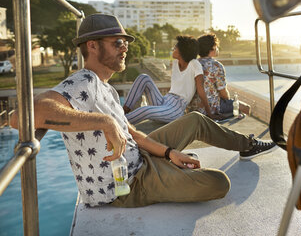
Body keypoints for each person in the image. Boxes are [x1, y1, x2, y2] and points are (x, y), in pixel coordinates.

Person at [11, 13, 277, 208]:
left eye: (125, 42)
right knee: (219, 183)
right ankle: (167, 173)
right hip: (126, 185)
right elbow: (25, 115)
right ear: (92, 45)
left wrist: (170, 153)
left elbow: (133, 133)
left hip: (140, 158)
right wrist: (104, 122)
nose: (125, 47)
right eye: (117, 42)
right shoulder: (84, 81)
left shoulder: (106, 87)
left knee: (195, 120)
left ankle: (246, 144)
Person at [123, 35, 214, 124]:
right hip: (165, 101)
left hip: (175, 109)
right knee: (144, 78)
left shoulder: (194, 64)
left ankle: (119, 122)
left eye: (175, 48)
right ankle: (123, 112)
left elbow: (201, 89)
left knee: (145, 110)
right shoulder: (175, 63)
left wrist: (209, 114)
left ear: (182, 51)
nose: (172, 49)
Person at [191, 33, 234, 116]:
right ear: (213, 47)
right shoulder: (216, 65)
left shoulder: (194, 64)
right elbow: (223, 92)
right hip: (212, 108)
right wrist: (228, 101)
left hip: (194, 107)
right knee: (244, 107)